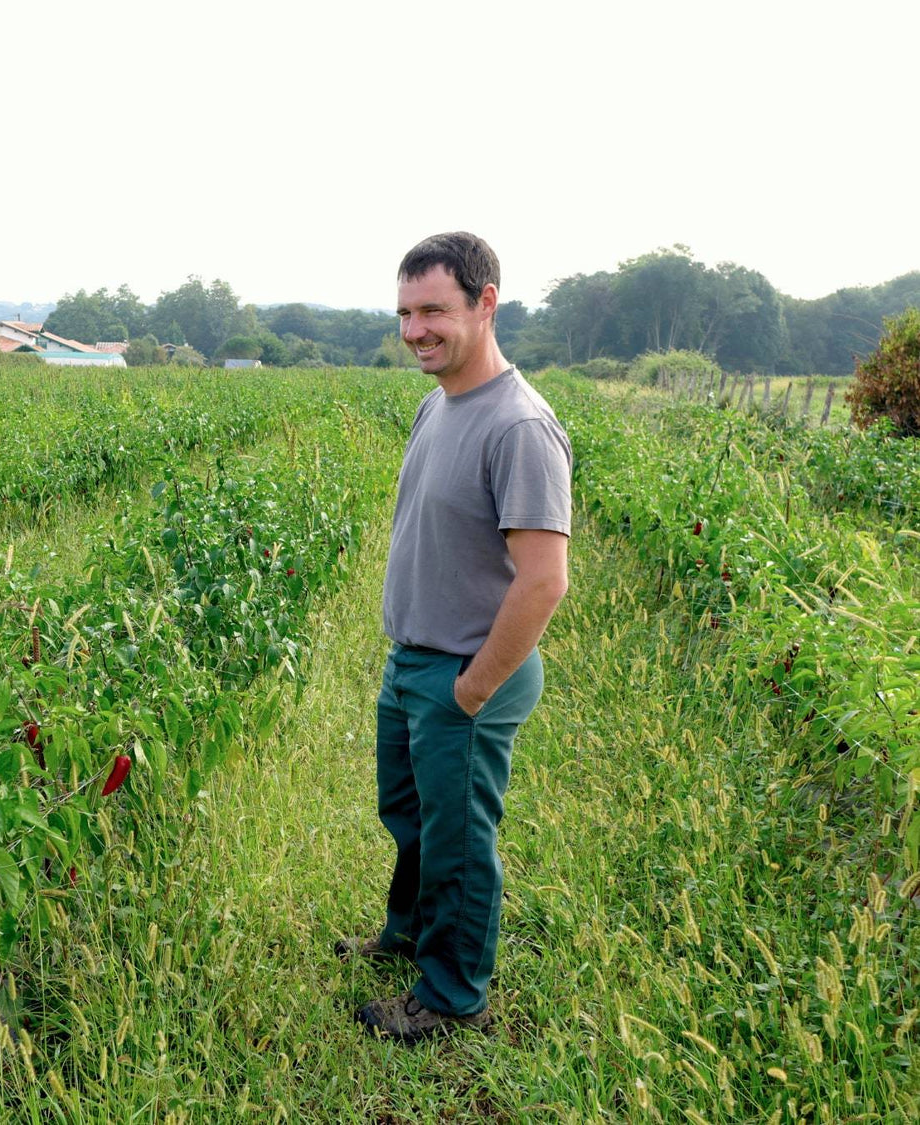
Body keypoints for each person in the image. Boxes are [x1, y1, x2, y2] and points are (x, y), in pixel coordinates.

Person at [343, 232, 572, 1044]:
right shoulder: (437, 403)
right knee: (408, 815)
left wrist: (472, 687)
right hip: (413, 658)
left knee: (459, 841)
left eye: (433, 310)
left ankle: (450, 993)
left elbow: (543, 580)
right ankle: (406, 934)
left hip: (466, 671)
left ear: (485, 303)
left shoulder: (519, 427)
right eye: (404, 313)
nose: (414, 330)